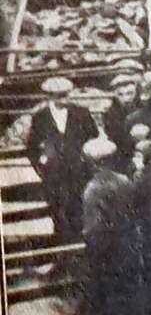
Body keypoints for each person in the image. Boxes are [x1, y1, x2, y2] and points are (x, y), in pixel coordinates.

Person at [27, 77, 99, 238]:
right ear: (50, 97)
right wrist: (41, 165)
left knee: (79, 207)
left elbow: (94, 137)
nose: (65, 99)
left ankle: (80, 244)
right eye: (60, 96)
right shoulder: (40, 117)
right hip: (54, 173)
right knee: (58, 209)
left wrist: (86, 159)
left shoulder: (81, 113)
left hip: (78, 170)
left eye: (67, 94)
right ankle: (62, 244)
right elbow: (32, 147)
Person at [80, 137, 131, 315]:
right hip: (125, 243)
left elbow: (92, 228)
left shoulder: (92, 189)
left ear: (94, 163)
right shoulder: (124, 181)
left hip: (103, 249)